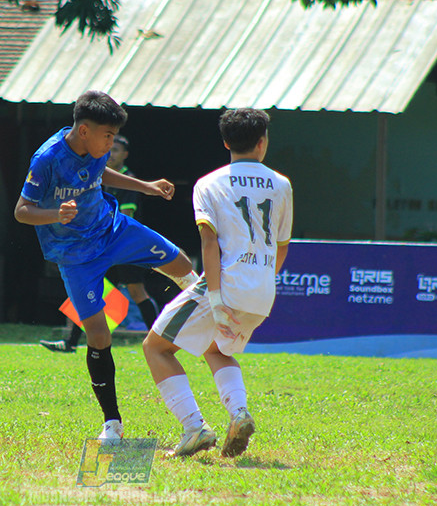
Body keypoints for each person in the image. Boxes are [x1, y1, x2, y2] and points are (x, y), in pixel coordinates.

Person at [14, 91, 199, 442]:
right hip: (75, 254)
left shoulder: (97, 151)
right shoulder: (47, 158)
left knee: (181, 263)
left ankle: (205, 323)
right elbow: (22, 211)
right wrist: (56, 214)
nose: (111, 145)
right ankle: (111, 423)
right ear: (84, 130)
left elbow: (103, 176)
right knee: (99, 335)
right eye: (108, 137)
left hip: (112, 229)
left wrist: (145, 187)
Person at [143, 108, 292, 457]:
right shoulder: (281, 184)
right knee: (217, 349)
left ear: (226, 142)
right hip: (261, 289)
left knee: (155, 347)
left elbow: (209, 244)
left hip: (224, 283)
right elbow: (282, 245)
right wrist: (260, 284)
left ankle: (194, 427)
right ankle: (239, 414)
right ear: (262, 142)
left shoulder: (208, 184)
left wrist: (214, 297)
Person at [39, 134, 161, 353]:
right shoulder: (95, 176)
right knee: (91, 287)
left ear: (125, 155)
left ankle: (160, 340)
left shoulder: (127, 179)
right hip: (102, 245)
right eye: (109, 149)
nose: (111, 154)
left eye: (116, 150)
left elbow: (126, 214)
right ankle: (71, 341)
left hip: (122, 244)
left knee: (136, 292)